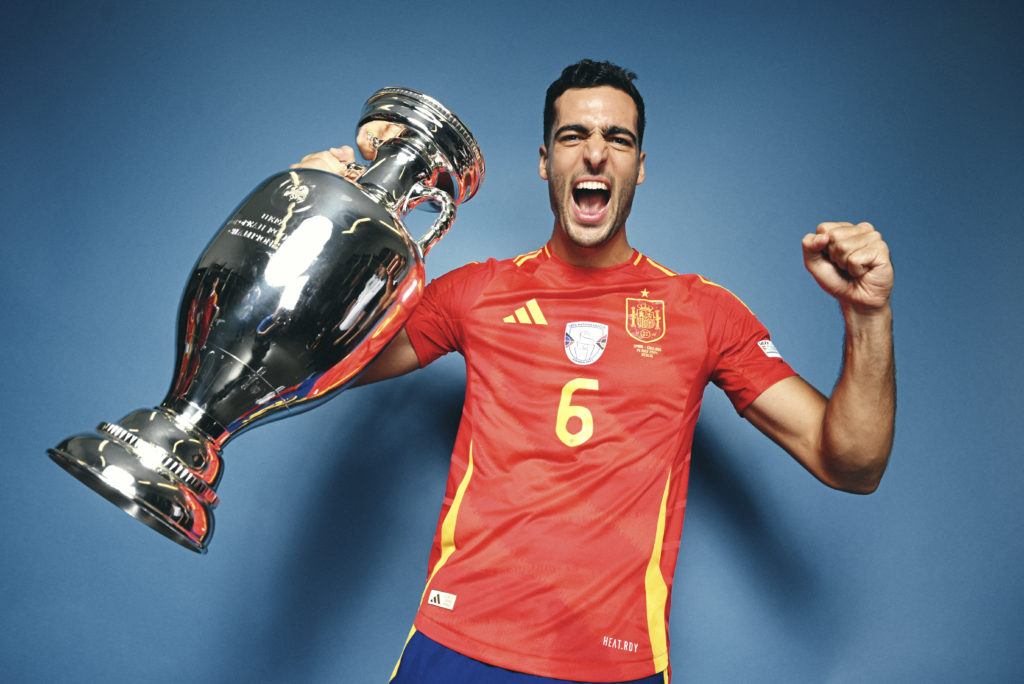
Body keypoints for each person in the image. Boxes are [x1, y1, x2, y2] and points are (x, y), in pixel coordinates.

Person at [294, 60, 895, 684]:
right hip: (456, 647)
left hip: (615, 667)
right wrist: (318, 218)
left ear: (639, 167)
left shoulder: (703, 312)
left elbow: (851, 462)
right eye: (573, 136)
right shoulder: (478, 292)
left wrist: (867, 314)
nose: (595, 155)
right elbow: (323, 361)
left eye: (619, 139)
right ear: (545, 160)